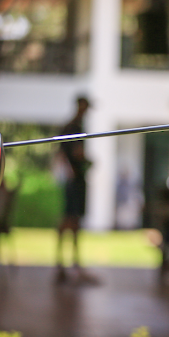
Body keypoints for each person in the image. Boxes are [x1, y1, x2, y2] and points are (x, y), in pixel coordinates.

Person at [55, 96, 98, 285]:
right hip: (75, 182)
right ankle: (66, 264)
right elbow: (73, 153)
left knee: (73, 222)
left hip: (75, 180)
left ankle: (70, 264)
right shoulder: (74, 128)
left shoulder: (73, 126)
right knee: (69, 221)